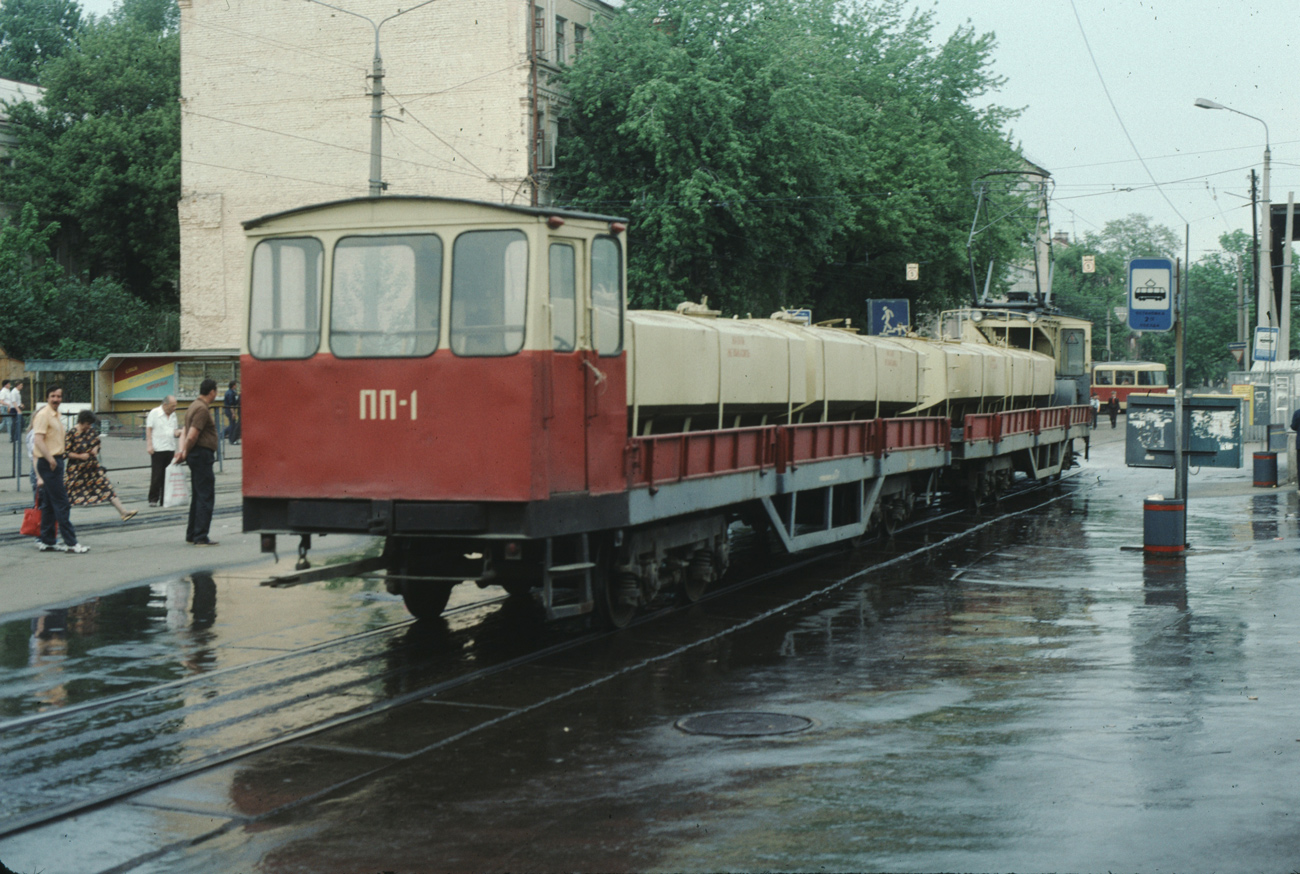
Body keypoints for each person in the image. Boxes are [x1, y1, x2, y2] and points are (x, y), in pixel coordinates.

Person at [30, 385, 88, 554]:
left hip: (55, 460)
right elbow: (38, 440)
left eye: (59, 396)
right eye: (53, 396)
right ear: (47, 397)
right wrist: (50, 459)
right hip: (50, 462)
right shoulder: (43, 415)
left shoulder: (55, 415)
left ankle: (48, 541)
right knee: (62, 503)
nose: (56, 399)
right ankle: (72, 543)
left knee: (48, 504)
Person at [65, 410, 137, 521]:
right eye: (87, 424)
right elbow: (65, 452)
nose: (89, 426)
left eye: (90, 424)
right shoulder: (72, 433)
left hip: (93, 468)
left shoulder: (91, 431)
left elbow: (97, 442)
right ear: (81, 422)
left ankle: (123, 512)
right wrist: (79, 456)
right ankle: (60, 518)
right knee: (68, 493)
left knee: (106, 487)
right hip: (76, 470)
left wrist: (95, 449)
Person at [175, 379, 220, 546]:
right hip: (201, 455)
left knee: (198, 495)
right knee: (205, 496)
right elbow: (192, 434)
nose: (216, 394)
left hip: (196, 455)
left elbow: (186, 431)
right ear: (212, 392)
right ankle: (201, 535)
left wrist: (184, 451)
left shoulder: (193, 405)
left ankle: (192, 533)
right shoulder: (201, 409)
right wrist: (185, 451)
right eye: (216, 391)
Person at [145, 395, 181, 506]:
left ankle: (165, 499)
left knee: (168, 475)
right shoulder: (154, 413)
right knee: (157, 475)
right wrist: (149, 445)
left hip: (170, 447)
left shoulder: (173, 415)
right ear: (165, 405)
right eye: (172, 406)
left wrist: (179, 432)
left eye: (175, 406)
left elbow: (174, 430)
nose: (174, 408)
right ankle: (153, 498)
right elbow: (149, 429)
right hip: (158, 448)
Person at [223, 380, 240, 444]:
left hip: (228, 410)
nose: (236, 386)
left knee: (232, 424)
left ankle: (222, 434)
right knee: (232, 425)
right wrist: (233, 413)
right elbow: (231, 404)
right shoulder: (230, 393)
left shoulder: (231, 392)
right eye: (235, 385)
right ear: (233, 386)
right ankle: (231, 439)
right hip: (229, 410)